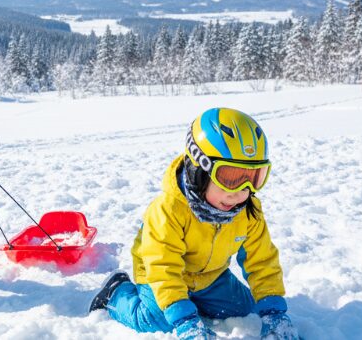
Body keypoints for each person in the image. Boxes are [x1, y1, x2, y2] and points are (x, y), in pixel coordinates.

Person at [89, 108, 297, 339]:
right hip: (158, 272)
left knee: (244, 308)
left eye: (254, 177)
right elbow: (162, 267)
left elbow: (262, 260)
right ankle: (116, 293)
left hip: (210, 275)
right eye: (230, 178)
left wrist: (273, 311)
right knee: (156, 319)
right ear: (199, 168)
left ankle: (195, 300)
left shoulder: (248, 212)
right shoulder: (168, 210)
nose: (240, 193)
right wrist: (184, 318)